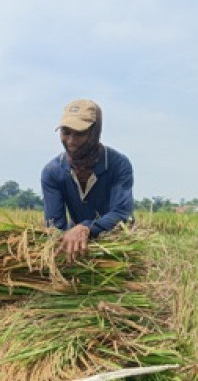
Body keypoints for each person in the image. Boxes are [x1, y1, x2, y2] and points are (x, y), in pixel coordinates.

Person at [41, 99, 134, 261]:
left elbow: (121, 212)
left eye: (80, 133)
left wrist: (87, 227)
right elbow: (55, 227)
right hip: (76, 242)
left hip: (115, 240)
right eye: (66, 132)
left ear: (95, 132)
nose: (71, 141)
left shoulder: (118, 164)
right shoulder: (52, 172)